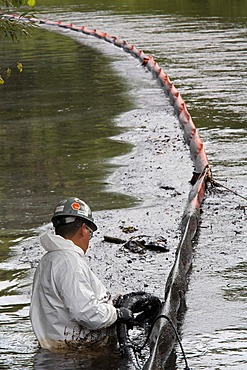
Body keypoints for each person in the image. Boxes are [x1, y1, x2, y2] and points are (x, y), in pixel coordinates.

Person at [29, 197, 133, 351]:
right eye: (90, 234)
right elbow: (86, 314)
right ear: (84, 229)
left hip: (52, 349)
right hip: (76, 353)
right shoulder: (70, 263)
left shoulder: (49, 260)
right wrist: (117, 313)